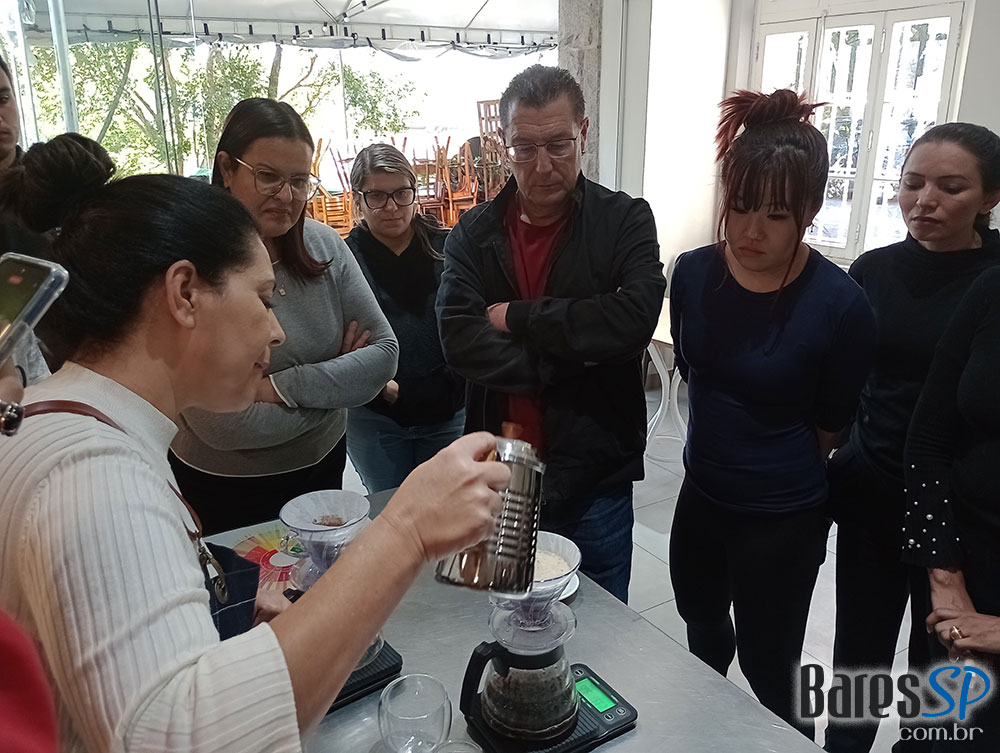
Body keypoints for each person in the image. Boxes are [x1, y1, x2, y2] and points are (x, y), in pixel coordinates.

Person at [0, 142, 509, 752]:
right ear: (184, 293)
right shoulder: (96, 477)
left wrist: (240, 633)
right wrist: (406, 530)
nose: (278, 331)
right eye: (264, 299)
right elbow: (183, 741)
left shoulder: (56, 420)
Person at [667, 89, 876, 739]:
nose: (750, 230)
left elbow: (830, 424)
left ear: (810, 212)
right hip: (701, 495)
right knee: (701, 625)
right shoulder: (692, 273)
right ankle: (708, 728)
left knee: (771, 669)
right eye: (739, 205)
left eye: (776, 214)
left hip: (781, 518)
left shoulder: (842, 305)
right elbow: (695, 370)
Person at [435, 65, 666, 603]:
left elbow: (633, 320)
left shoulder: (624, 220)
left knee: (599, 618)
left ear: (583, 133)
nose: (542, 165)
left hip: (593, 466)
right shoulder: (474, 233)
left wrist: (519, 317)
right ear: (504, 145)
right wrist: (575, 357)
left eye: (559, 144)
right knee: (500, 612)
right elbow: (460, 340)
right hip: (502, 466)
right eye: (525, 148)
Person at [825, 123, 1000, 753]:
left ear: (990, 198)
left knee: (943, 670)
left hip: (961, 514)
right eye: (912, 183)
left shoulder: (993, 279)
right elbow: (851, 374)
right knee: (859, 654)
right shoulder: (873, 269)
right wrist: (845, 449)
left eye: (950, 187)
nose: (925, 200)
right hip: (874, 489)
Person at [168, 98, 398, 534]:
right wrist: (338, 388)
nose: (286, 196)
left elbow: (384, 355)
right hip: (222, 484)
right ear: (227, 169)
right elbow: (224, 426)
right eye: (268, 176)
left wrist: (274, 388)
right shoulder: (192, 268)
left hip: (322, 469)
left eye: (299, 180)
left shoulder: (324, 246)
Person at [902, 262, 1000, 751]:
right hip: (965, 567)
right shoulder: (992, 290)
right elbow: (927, 439)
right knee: (939, 730)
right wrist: (945, 580)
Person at [344, 144, 465, 493]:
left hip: (447, 409)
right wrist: (380, 387)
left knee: (443, 507)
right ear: (358, 200)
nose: (392, 206)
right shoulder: (344, 259)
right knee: (389, 509)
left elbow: (471, 326)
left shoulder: (449, 248)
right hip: (376, 416)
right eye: (376, 196)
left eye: (401, 193)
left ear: (415, 192)